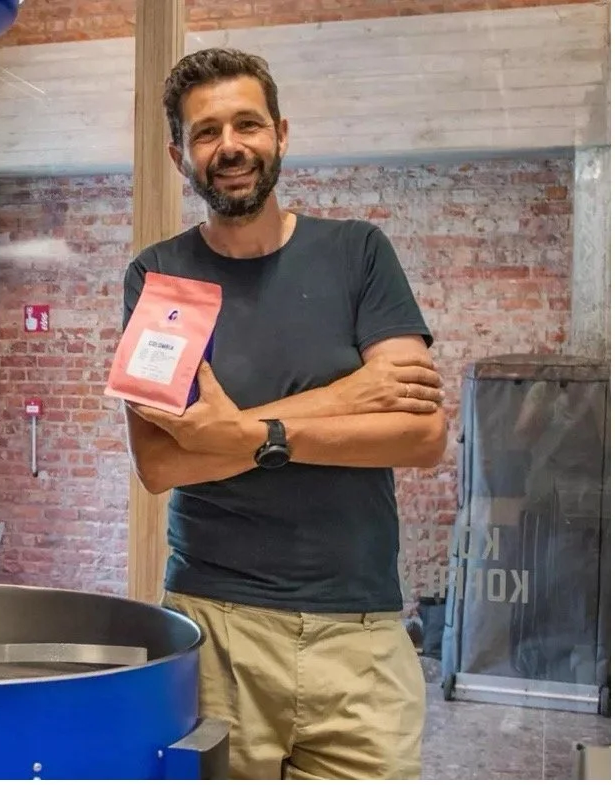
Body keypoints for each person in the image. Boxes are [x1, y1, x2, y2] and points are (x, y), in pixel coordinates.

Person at [121, 47, 448, 779]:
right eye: (206, 133)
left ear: (281, 134)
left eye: (247, 124)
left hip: (360, 636)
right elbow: (162, 463)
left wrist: (248, 433)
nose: (230, 146)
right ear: (180, 154)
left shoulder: (359, 254)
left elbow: (420, 433)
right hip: (216, 629)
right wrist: (347, 398)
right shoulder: (159, 276)